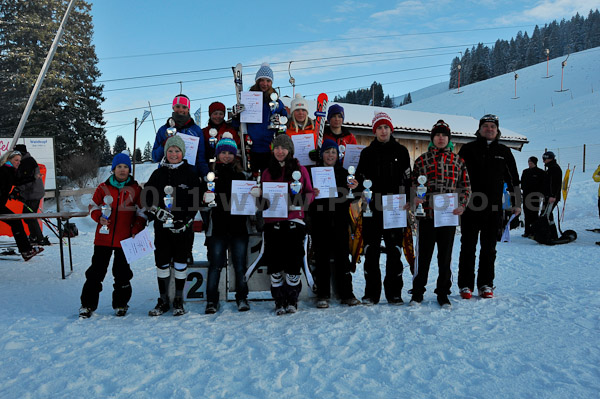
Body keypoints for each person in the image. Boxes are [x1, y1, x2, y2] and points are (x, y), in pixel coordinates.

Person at [457, 114, 521, 299]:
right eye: (486, 126)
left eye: (493, 126)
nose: (489, 129)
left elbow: (513, 179)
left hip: (493, 209)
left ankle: (486, 284)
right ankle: (465, 285)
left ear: (497, 130)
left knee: (489, 248)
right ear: (479, 129)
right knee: (467, 247)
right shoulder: (467, 149)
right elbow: (457, 177)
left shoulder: (504, 151)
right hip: (470, 207)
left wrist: (516, 203)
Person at [408, 120, 471, 308]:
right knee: (423, 257)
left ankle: (443, 293)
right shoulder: (422, 160)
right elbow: (413, 184)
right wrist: (414, 199)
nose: (441, 138)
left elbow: (465, 186)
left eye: (444, 135)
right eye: (437, 135)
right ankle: (417, 293)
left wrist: (462, 205)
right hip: (426, 216)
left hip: (448, 217)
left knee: (445, 257)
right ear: (432, 139)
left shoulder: (458, 161)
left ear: (449, 139)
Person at [79, 153, 146, 319]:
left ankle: (121, 304)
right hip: (103, 238)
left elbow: (142, 211)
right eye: (119, 167)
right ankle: (87, 305)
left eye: (125, 167)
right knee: (96, 272)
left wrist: (137, 226)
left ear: (129, 170)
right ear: (113, 169)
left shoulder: (136, 189)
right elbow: (93, 205)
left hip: (125, 239)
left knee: (122, 273)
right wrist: (98, 217)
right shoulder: (103, 187)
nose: (122, 170)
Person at [355, 112, 412, 305]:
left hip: (395, 206)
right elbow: (361, 180)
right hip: (373, 206)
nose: (383, 131)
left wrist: (410, 199)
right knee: (370, 250)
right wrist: (360, 191)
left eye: (386, 127)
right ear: (374, 131)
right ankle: (371, 293)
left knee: (395, 250)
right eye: (379, 127)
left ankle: (394, 293)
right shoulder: (367, 153)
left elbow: (409, 179)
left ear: (391, 129)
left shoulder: (402, 151)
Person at [144, 135, 201, 316]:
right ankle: (163, 300)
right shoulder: (158, 173)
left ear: (182, 153)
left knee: (180, 263)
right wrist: (156, 211)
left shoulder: (190, 173)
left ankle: (178, 299)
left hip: (183, 229)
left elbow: (196, 200)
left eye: (177, 151)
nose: (173, 154)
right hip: (162, 228)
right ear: (165, 152)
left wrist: (187, 220)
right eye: (170, 150)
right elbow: (146, 198)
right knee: (161, 263)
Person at [260, 134, 314, 315]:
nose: (280, 151)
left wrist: (300, 202)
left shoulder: (300, 169)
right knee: (274, 263)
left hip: (294, 221)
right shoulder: (267, 172)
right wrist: (259, 198)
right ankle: (278, 300)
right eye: (277, 148)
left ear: (290, 150)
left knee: (293, 261)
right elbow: (263, 199)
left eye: (283, 148)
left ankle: (292, 298)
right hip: (273, 222)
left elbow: (309, 192)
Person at [309, 139, 361, 308]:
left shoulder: (346, 173)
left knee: (342, 258)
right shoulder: (313, 172)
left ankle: (346, 293)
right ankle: (322, 294)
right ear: (322, 154)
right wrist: (311, 192)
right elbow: (304, 195)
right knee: (321, 258)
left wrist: (355, 187)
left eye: (333, 152)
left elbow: (356, 195)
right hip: (320, 221)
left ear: (338, 155)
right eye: (327, 151)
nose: (330, 155)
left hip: (339, 221)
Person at [203, 134, 250, 314]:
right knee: (215, 265)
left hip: (239, 227)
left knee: (239, 265)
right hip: (218, 228)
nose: (226, 156)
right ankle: (211, 300)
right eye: (223, 152)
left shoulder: (243, 174)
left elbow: (251, 202)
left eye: (230, 153)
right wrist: (204, 200)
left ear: (235, 155)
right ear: (217, 154)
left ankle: (242, 297)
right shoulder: (210, 176)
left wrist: (254, 194)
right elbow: (203, 203)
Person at [232, 63, 287, 175]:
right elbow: (236, 123)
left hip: (270, 147)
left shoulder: (276, 101)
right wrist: (236, 114)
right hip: (251, 146)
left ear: (271, 83)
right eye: (262, 80)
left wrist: (280, 120)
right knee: (253, 177)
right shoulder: (248, 98)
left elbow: (285, 119)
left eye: (268, 81)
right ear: (257, 81)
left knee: (270, 177)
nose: (265, 84)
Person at [152, 93, 209, 178]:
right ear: (173, 107)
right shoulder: (163, 130)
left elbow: (200, 157)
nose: (181, 110)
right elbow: (155, 157)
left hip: (189, 175)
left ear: (188, 109)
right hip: (167, 175)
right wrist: (164, 144)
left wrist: (205, 175)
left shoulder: (196, 131)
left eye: (184, 107)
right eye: (178, 106)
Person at [0, 150, 44, 261]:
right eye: (16, 160)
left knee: (16, 222)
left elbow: (18, 181)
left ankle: (26, 251)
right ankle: (26, 250)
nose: (18, 162)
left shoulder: (10, 171)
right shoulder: (4, 171)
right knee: (16, 221)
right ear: (9, 159)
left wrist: (34, 178)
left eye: (19, 160)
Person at [13, 144, 49, 246]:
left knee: (30, 216)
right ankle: (34, 236)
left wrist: (18, 189)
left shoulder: (28, 162)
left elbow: (27, 180)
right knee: (27, 216)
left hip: (34, 193)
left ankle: (39, 238)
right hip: (29, 193)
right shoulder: (25, 161)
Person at [202, 101, 240, 166]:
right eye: (215, 113)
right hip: (208, 166)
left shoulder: (230, 130)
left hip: (228, 165)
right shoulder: (203, 132)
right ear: (210, 115)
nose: (218, 116)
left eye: (221, 114)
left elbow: (237, 149)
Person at [520, 156, 545, 238]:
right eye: (529, 162)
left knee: (534, 214)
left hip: (535, 196)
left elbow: (542, 184)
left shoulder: (540, 172)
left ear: (535, 163)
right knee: (526, 213)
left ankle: (534, 231)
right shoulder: (525, 172)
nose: (530, 164)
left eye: (531, 163)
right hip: (526, 195)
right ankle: (527, 231)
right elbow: (522, 182)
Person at [541, 151, 562, 240]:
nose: (544, 161)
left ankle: (552, 235)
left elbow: (556, 184)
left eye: (545, 159)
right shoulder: (550, 168)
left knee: (546, 215)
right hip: (548, 196)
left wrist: (553, 196)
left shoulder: (555, 168)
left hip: (552, 197)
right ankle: (550, 234)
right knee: (546, 215)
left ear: (550, 159)